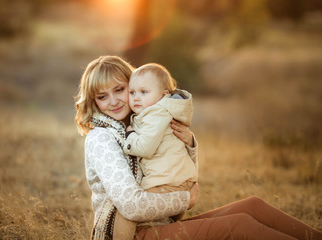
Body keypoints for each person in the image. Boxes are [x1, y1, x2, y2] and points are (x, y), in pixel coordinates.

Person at [75, 55, 322, 240]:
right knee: (239, 225)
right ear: (93, 101)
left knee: (252, 206)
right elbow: (131, 206)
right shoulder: (102, 139)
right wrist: (186, 199)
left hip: (158, 223)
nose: (114, 101)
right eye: (102, 96)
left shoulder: (143, 124)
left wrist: (189, 144)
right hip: (131, 233)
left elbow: (178, 172)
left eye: (119, 90)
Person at [113, 63, 198, 239]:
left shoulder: (156, 114)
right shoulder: (156, 112)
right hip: (175, 179)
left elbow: (145, 147)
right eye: (132, 92)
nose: (136, 98)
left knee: (126, 214)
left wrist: (129, 137)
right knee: (161, 228)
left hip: (167, 183)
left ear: (163, 95)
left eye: (144, 92)